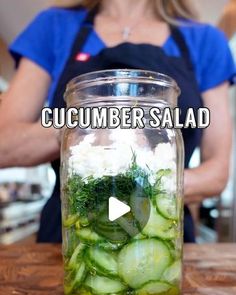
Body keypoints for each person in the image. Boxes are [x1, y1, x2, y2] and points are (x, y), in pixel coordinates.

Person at [0, 0, 235, 242]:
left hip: (160, 230)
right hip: (73, 230)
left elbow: (217, 173)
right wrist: (84, 128)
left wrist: (146, 189)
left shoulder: (206, 40)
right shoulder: (53, 26)